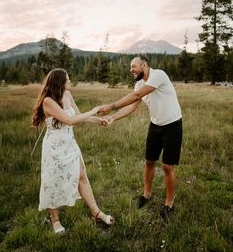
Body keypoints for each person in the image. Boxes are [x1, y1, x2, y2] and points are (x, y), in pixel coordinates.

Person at [98, 56, 182, 219]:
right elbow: (132, 106)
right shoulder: (138, 84)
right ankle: (146, 195)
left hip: (172, 125)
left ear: (144, 65)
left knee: (167, 166)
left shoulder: (159, 75)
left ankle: (169, 204)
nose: (131, 70)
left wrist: (112, 106)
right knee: (149, 161)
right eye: (130, 67)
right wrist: (113, 117)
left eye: (134, 66)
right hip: (155, 125)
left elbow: (136, 96)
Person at [32, 68, 114, 234]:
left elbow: (79, 115)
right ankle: (55, 220)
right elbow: (69, 120)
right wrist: (94, 109)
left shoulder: (67, 95)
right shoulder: (48, 101)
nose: (70, 81)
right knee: (52, 181)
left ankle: (96, 213)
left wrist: (99, 120)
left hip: (70, 144)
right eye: (67, 79)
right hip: (54, 147)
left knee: (81, 176)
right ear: (59, 82)